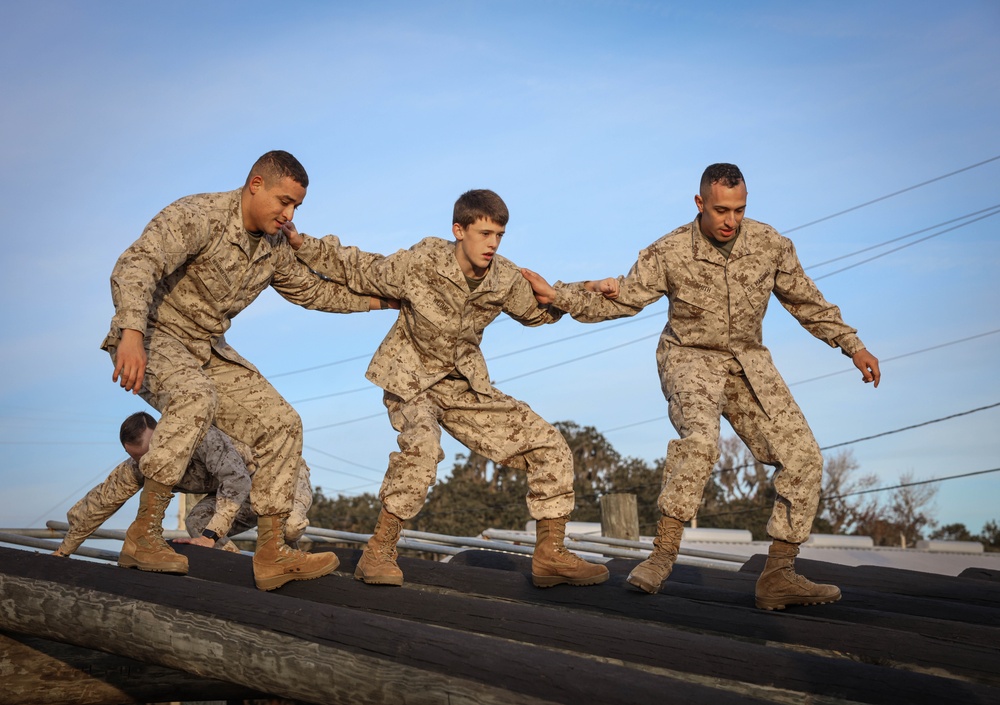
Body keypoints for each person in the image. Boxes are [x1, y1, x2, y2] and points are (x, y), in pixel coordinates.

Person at [521, 164, 880, 610]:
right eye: (721, 210)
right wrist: (560, 296)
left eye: (739, 210)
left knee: (803, 456)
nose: (731, 220)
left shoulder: (770, 245)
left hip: (748, 363)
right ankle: (661, 556)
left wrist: (853, 346)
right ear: (700, 204)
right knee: (701, 440)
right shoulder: (670, 250)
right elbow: (626, 298)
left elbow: (807, 302)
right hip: (689, 358)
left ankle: (779, 574)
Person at [285, 189, 609, 588]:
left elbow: (538, 311)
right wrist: (303, 244)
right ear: (459, 229)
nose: (492, 244)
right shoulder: (423, 261)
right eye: (484, 233)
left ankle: (550, 556)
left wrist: (583, 290)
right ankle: (378, 553)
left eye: (499, 236)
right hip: (410, 378)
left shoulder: (504, 276)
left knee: (549, 445)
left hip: (462, 384)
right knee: (422, 450)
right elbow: (360, 267)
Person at [103, 150, 393, 590]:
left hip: (205, 349)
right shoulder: (199, 215)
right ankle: (143, 535)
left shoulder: (274, 246)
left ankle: (272, 552)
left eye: (296, 206)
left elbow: (311, 291)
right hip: (154, 334)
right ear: (255, 184)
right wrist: (129, 331)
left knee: (282, 424)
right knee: (193, 396)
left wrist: (380, 302)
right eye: (283, 201)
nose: (288, 214)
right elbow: (137, 262)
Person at [53, 412, 314, 558]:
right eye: (139, 459)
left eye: (150, 453)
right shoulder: (143, 464)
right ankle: (238, 573)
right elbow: (103, 499)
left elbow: (236, 479)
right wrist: (65, 549)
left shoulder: (200, 436)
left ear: (163, 434)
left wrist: (212, 537)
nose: (148, 462)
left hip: (279, 472)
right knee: (197, 523)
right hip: (236, 493)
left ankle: (290, 559)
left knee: (289, 529)